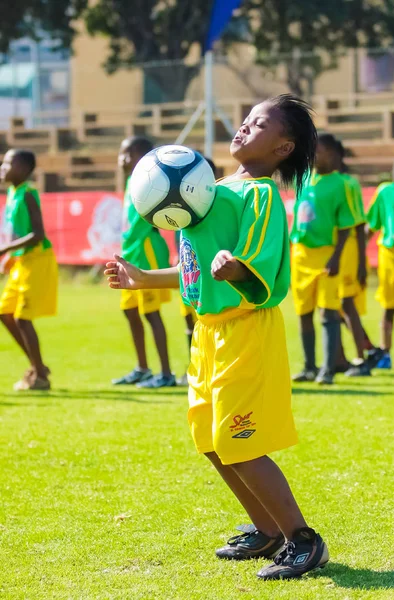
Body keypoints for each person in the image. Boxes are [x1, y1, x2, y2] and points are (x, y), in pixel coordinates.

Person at [105, 95, 329, 581]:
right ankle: (266, 529)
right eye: (245, 120)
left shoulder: (261, 197)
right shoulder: (207, 190)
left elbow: (260, 273)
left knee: (239, 440)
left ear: (283, 147)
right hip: (206, 334)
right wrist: (143, 277)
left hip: (244, 330)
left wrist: (237, 270)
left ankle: (303, 540)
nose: (244, 127)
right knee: (210, 441)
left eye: (258, 124)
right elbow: (194, 271)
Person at [291, 134, 360, 385]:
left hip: (326, 256)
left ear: (331, 154)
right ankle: (309, 366)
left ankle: (328, 370)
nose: (313, 157)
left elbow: (346, 227)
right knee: (303, 313)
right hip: (300, 255)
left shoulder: (341, 184)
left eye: (318, 152)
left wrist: (336, 257)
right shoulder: (305, 178)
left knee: (328, 313)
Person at [112, 136, 176, 388]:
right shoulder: (131, 181)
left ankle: (166, 374)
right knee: (128, 309)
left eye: (127, 152)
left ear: (140, 154)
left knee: (151, 312)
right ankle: (142, 368)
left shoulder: (149, 180)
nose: (122, 158)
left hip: (147, 249)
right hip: (131, 251)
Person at [0, 149, 58, 391]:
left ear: (24, 168)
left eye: (8, 164)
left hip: (37, 260)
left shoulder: (28, 194)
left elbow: (38, 235)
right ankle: (38, 366)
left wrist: (5, 249)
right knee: (5, 312)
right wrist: (10, 256)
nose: (3, 168)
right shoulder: (13, 193)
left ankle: (40, 377)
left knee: (23, 318)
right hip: (21, 262)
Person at [330, 136, 377, 377]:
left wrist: (360, 261)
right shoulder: (316, 182)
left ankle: (362, 359)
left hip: (346, 252)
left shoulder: (348, 183)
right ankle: (340, 358)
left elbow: (359, 225)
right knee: (331, 308)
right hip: (328, 253)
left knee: (346, 304)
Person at [176, 157, 217, 386]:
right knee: (189, 323)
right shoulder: (180, 204)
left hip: (210, 277)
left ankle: (210, 368)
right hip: (188, 271)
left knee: (207, 319)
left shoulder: (213, 205)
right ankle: (196, 366)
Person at [366, 160, 394, 369]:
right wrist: (358, 251)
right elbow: (372, 225)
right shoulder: (385, 192)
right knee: (389, 308)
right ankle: (385, 353)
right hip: (390, 256)